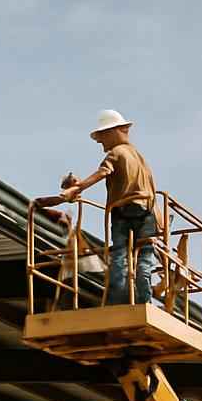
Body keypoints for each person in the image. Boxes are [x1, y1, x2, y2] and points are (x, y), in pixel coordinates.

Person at [34, 110, 158, 305]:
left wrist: (73, 190)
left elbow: (102, 172)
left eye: (102, 139)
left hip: (123, 210)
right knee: (145, 255)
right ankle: (145, 300)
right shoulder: (140, 158)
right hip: (148, 211)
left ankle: (118, 302)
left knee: (119, 255)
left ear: (113, 132)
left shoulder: (116, 153)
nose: (101, 144)